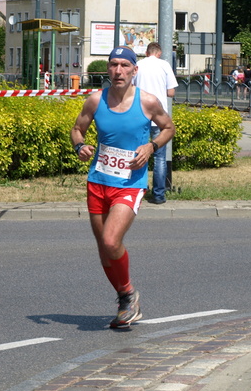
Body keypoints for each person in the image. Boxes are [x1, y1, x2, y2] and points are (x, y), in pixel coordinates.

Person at [71, 46, 175, 328]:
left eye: (124, 66)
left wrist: (151, 146)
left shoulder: (148, 102)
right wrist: (80, 145)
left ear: (134, 70)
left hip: (129, 183)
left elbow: (168, 127)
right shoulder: (95, 100)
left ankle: (128, 293)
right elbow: (77, 129)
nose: (118, 71)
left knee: (110, 240)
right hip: (98, 181)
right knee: (103, 249)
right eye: (114, 65)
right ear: (108, 69)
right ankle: (125, 299)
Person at [135, 41, 177, 204]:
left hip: (139, 115)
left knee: (138, 154)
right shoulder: (164, 65)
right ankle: (159, 195)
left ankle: (137, 191)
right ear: (159, 53)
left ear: (146, 52)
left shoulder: (138, 65)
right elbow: (171, 92)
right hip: (159, 117)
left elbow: (130, 87)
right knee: (159, 157)